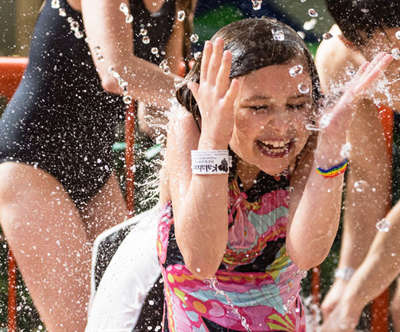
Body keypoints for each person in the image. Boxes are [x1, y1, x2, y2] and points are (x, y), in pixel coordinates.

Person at [156, 17, 392, 330]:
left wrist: (331, 149)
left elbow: (307, 254)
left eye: (296, 104)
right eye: (259, 108)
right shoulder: (191, 126)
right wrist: (213, 138)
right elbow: (201, 260)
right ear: (218, 102)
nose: (282, 126)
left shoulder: (311, 135)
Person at [0, 0, 195, 330]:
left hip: (93, 168)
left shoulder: (178, 3)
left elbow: (154, 112)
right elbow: (115, 72)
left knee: (122, 318)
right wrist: (209, 99)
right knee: (78, 326)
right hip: (31, 159)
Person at [315, 0, 400, 330]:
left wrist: (355, 297)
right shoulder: (339, 59)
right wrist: (346, 277)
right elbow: (368, 175)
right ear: (351, 42)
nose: (393, 59)